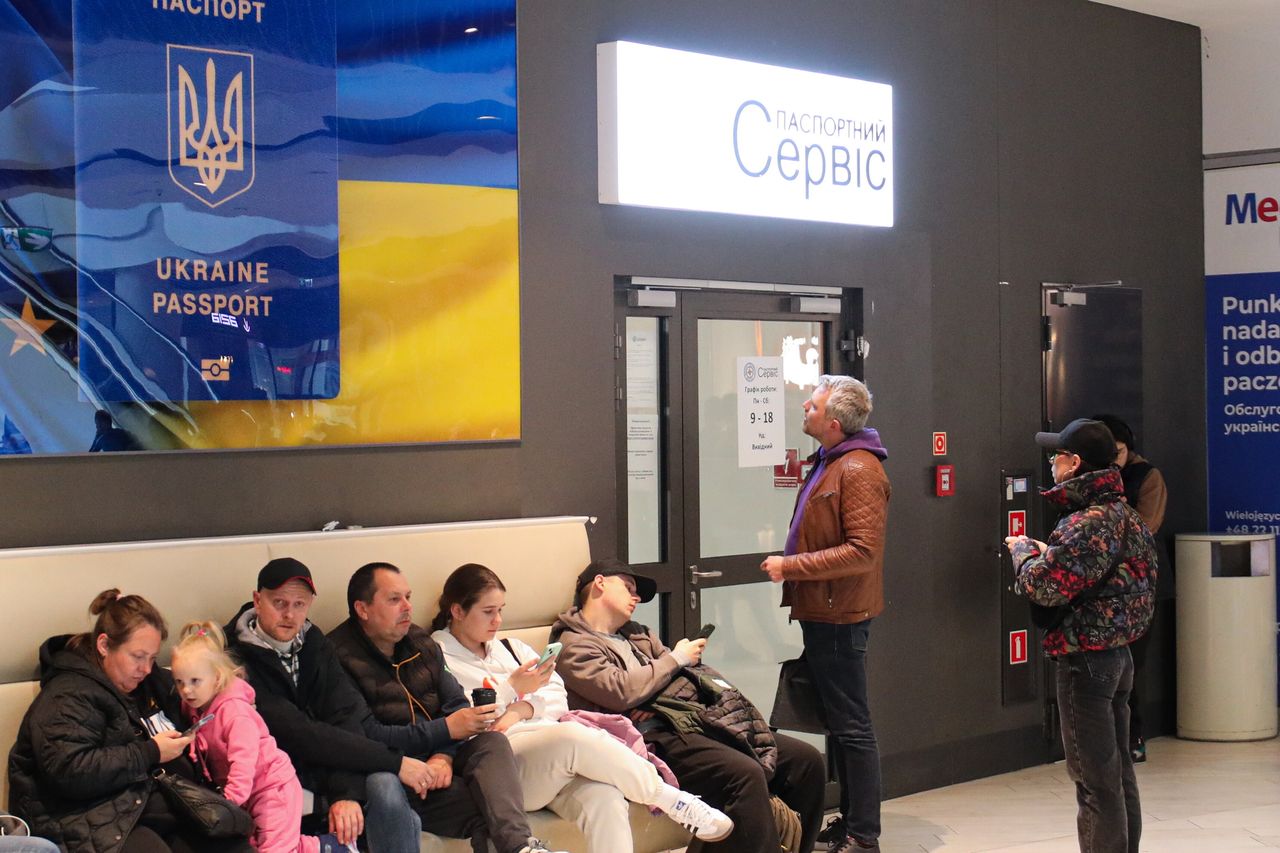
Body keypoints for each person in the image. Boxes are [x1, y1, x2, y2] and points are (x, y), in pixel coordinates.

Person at [429, 562, 734, 851]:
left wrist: (521, 709)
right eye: (488, 612)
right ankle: (671, 799)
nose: (497, 620)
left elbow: (557, 697)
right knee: (571, 737)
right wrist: (513, 689)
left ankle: (669, 800)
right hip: (505, 770)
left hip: (552, 754)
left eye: (500, 611)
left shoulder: (511, 647)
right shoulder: (438, 658)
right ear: (457, 611)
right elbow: (471, 720)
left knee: (607, 798)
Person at [552, 559, 827, 853]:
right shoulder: (574, 644)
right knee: (743, 774)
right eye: (629, 588)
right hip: (648, 739)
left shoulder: (636, 634)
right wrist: (673, 661)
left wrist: (655, 689)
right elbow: (620, 691)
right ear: (599, 583)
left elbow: (680, 678)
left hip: (692, 722)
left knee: (805, 761)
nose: (635, 598)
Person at [327, 562, 567, 853]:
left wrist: (443, 755)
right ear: (362, 609)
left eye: (408, 597)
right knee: (477, 807)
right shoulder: (337, 657)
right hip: (392, 771)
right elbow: (361, 736)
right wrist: (442, 733)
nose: (407, 607)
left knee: (491, 743)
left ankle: (521, 848)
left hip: (438, 769)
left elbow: (455, 705)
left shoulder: (418, 642)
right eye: (394, 600)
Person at [1005, 418, 1156, 853]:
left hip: (1086, 661)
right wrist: (1042, 554)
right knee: (1118, 771)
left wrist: (1022, 555)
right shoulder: (1125, 514)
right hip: (1119, 657)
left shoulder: (1086, 522)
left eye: (1056, 456)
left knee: (1094, 783)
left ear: (1073, 464)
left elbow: (1044, 587)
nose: (1051, 463)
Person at [7, 589, 254, 853]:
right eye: (138, 657)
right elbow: (69, 771)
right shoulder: (68, 695)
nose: (146, 668)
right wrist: (151, 752)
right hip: (84, 818)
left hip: (149, 805)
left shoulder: (145, 682)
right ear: (104, 646)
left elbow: (197, 693)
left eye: (152, 658)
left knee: (234, 845)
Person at [223, 558, 439, 853]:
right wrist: (395, 761)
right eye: (279, 603)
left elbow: (345, 718)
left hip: (332, 771)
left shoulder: (314, 642)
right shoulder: (234, 659)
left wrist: (346, 793)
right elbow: (297, 734)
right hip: (281, 782)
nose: (289, 614)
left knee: (386, 786)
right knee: (403, 815)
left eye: (300, 604)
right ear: (257, 601)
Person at [760, 374, 890, 853]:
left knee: (852, 727)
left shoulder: (857, 470)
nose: (803, 410)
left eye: (811, 407)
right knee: (840, 723)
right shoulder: (832, 462)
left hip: (841, 617)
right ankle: (853, 825)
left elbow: (862, 552)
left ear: (833, 422)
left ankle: (863, 835)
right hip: (825, 613)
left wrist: (790, 566)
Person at [170, 621, 351, 853]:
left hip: (272, 788)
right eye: (179, 682)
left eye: (195, 681)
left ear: (216, 678)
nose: (186, 690)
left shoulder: (235, 712)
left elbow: (243, 761)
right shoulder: (196, 708)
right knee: (267, 846)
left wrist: (229, 803)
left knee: (273, 850)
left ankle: (334, 847)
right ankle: (329, 847)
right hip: (249, 794)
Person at [1091, 413, 1168, 762]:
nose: (1114, 461)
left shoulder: (1146, 476)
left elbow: (1145, 526)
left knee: (1132, 663)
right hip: (1098, 584)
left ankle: (1133, 736)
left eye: (1118, 452)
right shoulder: (1089, 479)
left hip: (1138, 584)